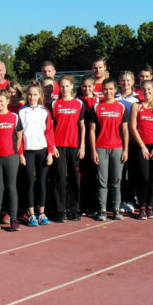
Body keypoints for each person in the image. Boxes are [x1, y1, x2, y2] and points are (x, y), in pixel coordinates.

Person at [89, 78, 129, 221]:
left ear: (115, 90)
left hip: (117, 147)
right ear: (102, 91)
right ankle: (103, 209)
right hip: (101, 148)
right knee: (102, 181)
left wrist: (126, 150)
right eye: (105, 89)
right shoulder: (97, 107)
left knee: (116, 181)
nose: (108, 92)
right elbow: (92, 130)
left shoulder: (121, 107)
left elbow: (125, 131)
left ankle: (116, 209)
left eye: (111, 89)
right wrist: (93, 150)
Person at [0, 89, 24, 232]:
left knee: (11, 188)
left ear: (8, 101)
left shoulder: (14, 117)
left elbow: (19, 136)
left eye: (2, 101)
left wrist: (15, 151)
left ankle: (13, 219)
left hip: (11, 157)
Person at [130, 80, 153, 219]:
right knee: (144, 177)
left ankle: (150, 205)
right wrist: (143, 147)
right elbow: (133, 127)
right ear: (140, 90)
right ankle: (142, 205)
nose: (147, 92)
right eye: (144, 90)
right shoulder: (136, 106)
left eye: (149, 89)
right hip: (142, 147)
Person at [19, 82, 55, 226]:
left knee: (41, 182)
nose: (32, 97)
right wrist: (20, 154)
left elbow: (49, 133)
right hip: (28, 152)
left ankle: (41, 212)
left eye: (35, 94)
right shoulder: (21, 112)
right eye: (29, 94)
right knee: (29, 183)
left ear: (39, 95)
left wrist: (50, 153)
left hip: (42, 151)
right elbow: (19, 136)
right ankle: (31, 213)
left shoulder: (44, 111)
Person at [52, 76, 86, 222]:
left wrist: (82, 145)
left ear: (72, 86)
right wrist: (52, 146)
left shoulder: (79, 103)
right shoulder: (55, 104)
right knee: (59, 178)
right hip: (59, 146)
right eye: (62, 86)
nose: (64, 89)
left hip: (74, 145)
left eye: (67, 86)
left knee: (74, 178)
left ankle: (73, 209)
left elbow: (83, 126)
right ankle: (60, 210)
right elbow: (50, 128)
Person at [115, 70, 139, 215]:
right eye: (123, 80)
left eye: (128, 80)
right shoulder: (115, 98)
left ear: (133, 82)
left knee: (133, 171)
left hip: (133, 139)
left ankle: (131, 198)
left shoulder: (137, 99)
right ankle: (121, 199)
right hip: (118, 139)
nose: (125, 83)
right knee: (120, 172)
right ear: (119, 82)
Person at [78, 75, 98, 215]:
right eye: (84, 86)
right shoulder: (77, 101)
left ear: (94, 87)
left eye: (89, 86)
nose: (87, 89)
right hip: (81, 140)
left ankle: (94, 204)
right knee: (83, 173)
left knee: (95, 173)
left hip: (96, 140)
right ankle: (83, 204)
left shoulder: (98, 101)